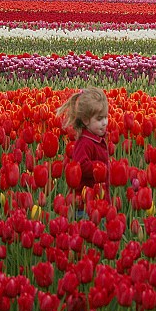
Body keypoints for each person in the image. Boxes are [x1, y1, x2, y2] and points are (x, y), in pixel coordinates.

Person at [56, 87, 111, 218]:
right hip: (85, 205)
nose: (104, 123)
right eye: (99, 119)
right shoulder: (85, 143)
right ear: (86, 120)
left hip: (98, 201)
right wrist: (98, 167)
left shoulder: (97, 139)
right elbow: (80, 165)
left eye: (105, 117)